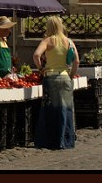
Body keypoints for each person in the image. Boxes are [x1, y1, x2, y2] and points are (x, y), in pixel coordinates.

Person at [32, 15, 78, 150]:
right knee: (65, 109)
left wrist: (41, 68)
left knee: (50, 109)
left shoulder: (48, 41)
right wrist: (71, 74)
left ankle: (49, 140)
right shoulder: (69, 41)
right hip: (65, 77)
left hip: (50, 77)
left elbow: (36, 55)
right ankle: (65, 139)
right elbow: (76, 61)